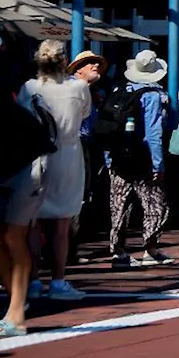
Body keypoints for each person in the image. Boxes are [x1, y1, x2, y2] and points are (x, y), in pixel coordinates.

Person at [20, 40, 91, 300]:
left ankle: (34, 280)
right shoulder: (79, 87)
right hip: (68, 155)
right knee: (62, 225)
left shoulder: (29, 87)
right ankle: (59, 280)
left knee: (33, 224)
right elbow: (84, 114)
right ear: (64, 60)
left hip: (36, 157)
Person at [0, 33, 40, 337]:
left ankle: (16, 315)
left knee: (12, 235)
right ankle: (17, 299)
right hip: (3, 165)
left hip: (23, 163)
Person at [106, 49, 175, 266]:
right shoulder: (153, 95)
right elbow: (153, 132)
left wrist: (109, 157)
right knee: (155, 203)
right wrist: (158, 164)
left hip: (119, 157)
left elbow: (109, 126)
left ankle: (119, 252)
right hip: (143, 156)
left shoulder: (120, 90)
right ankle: (150, 249)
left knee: (120, 203)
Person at [68, 51, 108, 253]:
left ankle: (70, 247)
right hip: (72, 145)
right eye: (90, 63)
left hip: (85, 146)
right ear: (78, 69)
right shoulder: (72, 89)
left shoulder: (92, 93)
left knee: (81, 196)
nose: (95, 65)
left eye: (97, 62)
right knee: (73, 196)